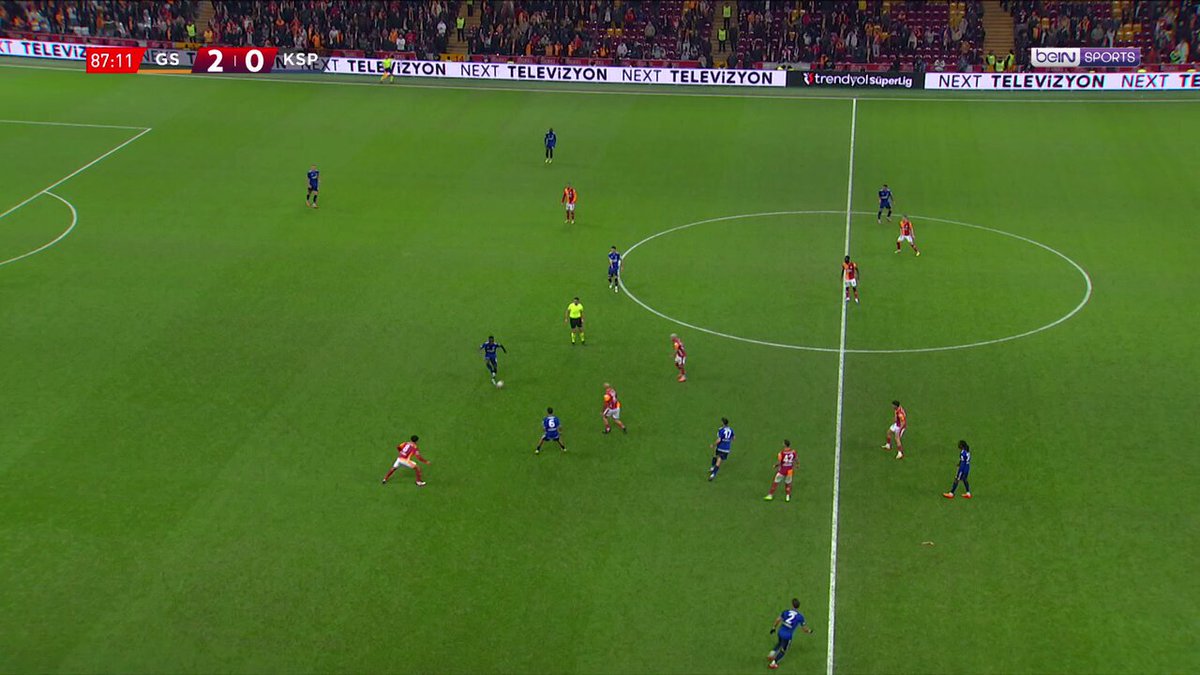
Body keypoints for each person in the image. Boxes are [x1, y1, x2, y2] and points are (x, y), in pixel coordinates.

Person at [768, 599, 812, 669]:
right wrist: (809, 631)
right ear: (798, 606)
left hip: (780, 632)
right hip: (787, 636)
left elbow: (778, 620)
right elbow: (804, 629)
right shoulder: (800, 617)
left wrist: (774, 628)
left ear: (792, 605)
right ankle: (774, 663)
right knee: (783, 650)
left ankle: (771, 654)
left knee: (780, 643)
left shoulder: (786, 612)